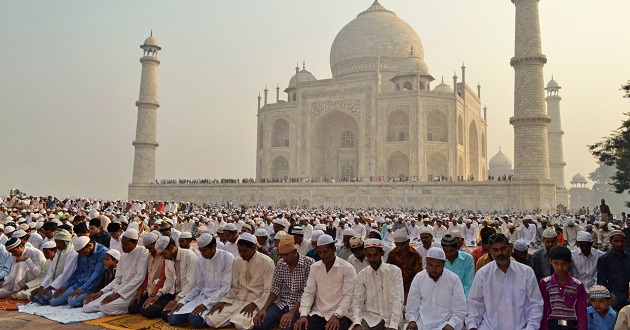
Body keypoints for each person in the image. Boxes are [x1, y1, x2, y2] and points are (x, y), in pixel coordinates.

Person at [466, 233, 544, 330]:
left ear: (510, 248)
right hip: (489, 327)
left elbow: (535, 304)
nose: (500, 253)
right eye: (495, 250)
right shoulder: (483, 274)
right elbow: (475, 303)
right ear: (490, 251)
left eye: (503, 249)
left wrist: (531, 327)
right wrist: (472, 326)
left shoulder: (526, 272)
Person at [207, 233, 275, 329]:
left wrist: (254, 304)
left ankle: (234, 319)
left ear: (254, 247)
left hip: (255, 301)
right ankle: (233, 318)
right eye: (239, 251)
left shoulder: (267, 262)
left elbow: (268, 290)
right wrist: (224, 301)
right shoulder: (237, 261)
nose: (242, 254)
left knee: (240, 326)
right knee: (210, 321)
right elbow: (235, 286)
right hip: (238, 300)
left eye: (245, 251)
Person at [166, 233, 234, 328]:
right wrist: (182, 301)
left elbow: (225, 288)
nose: (202, 254)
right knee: (172, 318)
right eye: (200, 251)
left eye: (204, 251)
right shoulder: (201, 259)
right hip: (202, 297)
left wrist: (206, 305)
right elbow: (198, 286)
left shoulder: (227, 258)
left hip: (219, 299)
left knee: (195, 321)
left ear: (213, 247)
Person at [295, 234, 356, 330]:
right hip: (319, 313)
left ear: (334, 249)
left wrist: (336, 315)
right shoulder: (315, 267)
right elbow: (309, 293)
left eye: (326, 252)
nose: (323, 255)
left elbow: (349, 296)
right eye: (320, 252)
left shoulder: (347, 268)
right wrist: (303, 314)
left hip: (341, 314)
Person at [253, 235, 314, 330]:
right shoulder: (281, 263)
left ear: (294, 251)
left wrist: (291, 313)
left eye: (286, 254)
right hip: (282, 304)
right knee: (258, 324)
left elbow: (307, 294)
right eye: (281, 254)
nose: (283, 258)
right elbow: (275, 289)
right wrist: (264, 309)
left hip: (300, 307)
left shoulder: (309, 264)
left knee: (288, 328)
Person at [82, 229, 149, 315]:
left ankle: (125, 309)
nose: (123, 246)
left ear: (135, 243)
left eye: (126, 244)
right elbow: (118, 278)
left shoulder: (143, 252)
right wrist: (101, 292)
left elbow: (140, 277)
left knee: (105, 307)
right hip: (118, 289)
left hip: (131, 292)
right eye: (122, 244)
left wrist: (119, 294)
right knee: (87, 306)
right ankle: (108, 306)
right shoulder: (124, 254)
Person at [405, 247, 467, 330]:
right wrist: (412, 320)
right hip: (422, 324)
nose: (433, 269)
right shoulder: (419, 278)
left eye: (437, 266)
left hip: (445, 324)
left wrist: (451, 324)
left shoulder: (453, 279)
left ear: (444, 264)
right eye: (430, 265)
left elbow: (460, 310)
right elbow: (412, 307)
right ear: (426, 262)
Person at [351, 238, 404, 330]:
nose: (372, 259)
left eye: (375, 255)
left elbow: (398, 300)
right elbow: (357, 301)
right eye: (369, 255)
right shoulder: (362, 274)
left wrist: (393, 325)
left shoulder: (394, 271)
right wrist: (357, 322)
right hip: (370, 318)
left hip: (391, 318)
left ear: (382, 253)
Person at [149, 236, 198, 321]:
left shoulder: (189, 256)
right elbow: (169, 280)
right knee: (148, 311)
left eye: (163, 254)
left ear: (171, 248)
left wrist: (177, 300)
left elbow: (191, 283)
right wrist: (158, 295)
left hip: (186, 295)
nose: (162, 257)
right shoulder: (168, 258)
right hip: (173, 293)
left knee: (167, 316)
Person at [48, 236, 107, 307]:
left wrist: (82, 289)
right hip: (78, 284)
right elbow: (78, 271)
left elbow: (97, 274)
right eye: (80, 253)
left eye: (83, 252)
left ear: (90, 245)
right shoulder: (81, 253)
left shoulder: (102, 252)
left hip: (92, 287)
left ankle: (91, 299)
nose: (82, 255)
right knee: (54, 301)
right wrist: (65, 285)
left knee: (72, 301)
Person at [539, 245, 587, 330]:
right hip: (552, 326)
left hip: (572, 326)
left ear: (570, 263)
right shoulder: (545, 283)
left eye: (563, 264)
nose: (560, 268)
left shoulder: (577, 285)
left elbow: (581, 312)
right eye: (556, 263)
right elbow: (543, 308)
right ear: (550, 261)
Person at [128, 232, 164, 315]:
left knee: (148, 312)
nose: (149, 251)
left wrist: (153, 295)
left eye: (150, 248)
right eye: (147, 249)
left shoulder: (164, 256)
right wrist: (139, 293)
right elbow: (146, 276)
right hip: (149, 290)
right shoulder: (149, 256)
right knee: (132, 308)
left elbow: (163, 278)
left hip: (160, 292)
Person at [386, 228, 422, 302]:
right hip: (395, 288)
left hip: (411, 289)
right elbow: (388, 272)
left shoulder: (416, 255)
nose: (399, 247)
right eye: (397, 245)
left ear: (408, 242)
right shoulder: (392, 254)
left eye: (401, 245)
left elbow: (418, 275)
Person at [597, 230, 630, 310]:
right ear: (611, 241)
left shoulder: (628, 257)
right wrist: (608, 297)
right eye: (616, 241)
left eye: (622, 241)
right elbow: (601, 281)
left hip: (627, 294)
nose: (619, 244)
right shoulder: (604, 259)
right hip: (613, 295)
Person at [441, 233, 474, 298]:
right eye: (445, 251)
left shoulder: (467, 259)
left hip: (462, 295)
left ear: (457, 248)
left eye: (451, 251)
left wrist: (462, 299)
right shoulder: (439, 259)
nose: (448, 254)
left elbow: (469, 284)